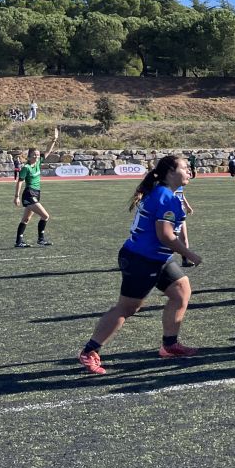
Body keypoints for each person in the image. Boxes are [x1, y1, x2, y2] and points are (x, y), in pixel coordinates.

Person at [77, 155, 201, 375]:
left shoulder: (164, 192)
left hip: (155, 258)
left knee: (182, 290)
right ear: (170, 172)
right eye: (184, 167)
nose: (189, 171)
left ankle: (169, 345)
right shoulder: (165, 196)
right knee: (127, 308)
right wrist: (189, 254)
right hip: (143, 259)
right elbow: (164, 235)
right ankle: (89, 351)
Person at [13, 127, 59, 248]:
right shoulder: (26, 168)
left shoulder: (38, 163)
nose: (37, 156)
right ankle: (41, 239)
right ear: (29, 156)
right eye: (35, 155)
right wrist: (16, 197)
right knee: (45, 216)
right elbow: (20, 182)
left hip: (36, 193)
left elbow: (48, 151)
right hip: (29, 195)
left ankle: (18, 242)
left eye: (38, 155)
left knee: (26, 219)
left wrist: (54, 140)